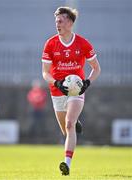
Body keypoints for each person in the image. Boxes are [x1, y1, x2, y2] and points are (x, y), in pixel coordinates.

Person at [42, 7, 101, 175]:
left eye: (60, 21)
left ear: (70, 22)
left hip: (76, 91)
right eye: (56, 21)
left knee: (69, 124)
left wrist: (87, 82)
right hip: (57, 90)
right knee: (66, 129)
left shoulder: (82, 43)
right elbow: (45, 72)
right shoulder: (50, 43)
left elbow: (96, 68)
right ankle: (75, 123)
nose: (57, 24)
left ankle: (67, 164)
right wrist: (57, 83)